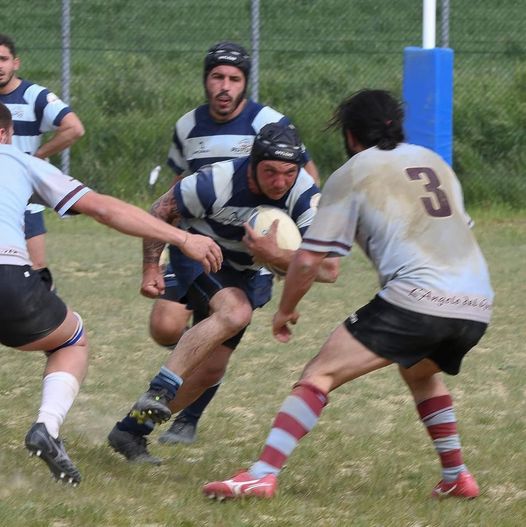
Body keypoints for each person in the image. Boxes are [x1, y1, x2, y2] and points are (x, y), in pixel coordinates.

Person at [202, 89, 494, 501]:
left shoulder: (353, 172)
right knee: (420, 372)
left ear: (351, 136)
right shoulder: (433, 162)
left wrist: (285, 309)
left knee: (318, 374)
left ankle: (262, 475)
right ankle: (457, 477)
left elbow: (307, 262)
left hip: (418, 298)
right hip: (477, 301)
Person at [0, 102, 222, 486]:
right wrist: (182, 237)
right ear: (6, 134)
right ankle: (46, 428)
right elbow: (104, 209)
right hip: (7, 275)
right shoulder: (16, 158)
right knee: (71, 339)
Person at [107, 122, 339, 464]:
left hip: (250, 271)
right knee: (235, 313)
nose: (280, 182)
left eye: (288, 173)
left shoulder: (304, 193)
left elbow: (329, 268)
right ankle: (161, 388)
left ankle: (130, 431)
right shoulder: (215, 181)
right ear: (252, 163)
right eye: (270, 172)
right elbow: (161, 210)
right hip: (201, 256)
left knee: (210, 371)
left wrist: (276, 257)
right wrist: (152, 267)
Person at [151, 41, 319, 446]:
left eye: (234, 79)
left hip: (250, 254)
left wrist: (293, 239)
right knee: (165, 326)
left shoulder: (270, 122)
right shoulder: (187, 126)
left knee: (217, 341)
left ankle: (186, 417)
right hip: (198, 238)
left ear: (245, 83)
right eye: (217, 77)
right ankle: (193, 349)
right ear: (206, 80)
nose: (224, 86)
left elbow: (304, 177)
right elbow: (176, 187)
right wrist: (158, 254)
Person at [0, 34, 85, 289]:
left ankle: (51, 322)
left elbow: (74, 128)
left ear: (16, 63)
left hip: (25, 201)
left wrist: (36, 158)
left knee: (35, 273)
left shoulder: (33, 95)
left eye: (3, 59)